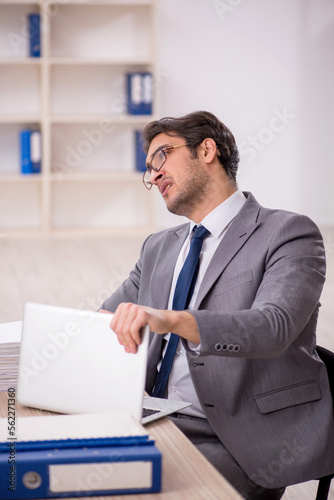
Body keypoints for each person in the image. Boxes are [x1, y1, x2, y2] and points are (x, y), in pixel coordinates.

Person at [100, 111, 334, 499]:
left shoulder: (288, 232)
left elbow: (272, 327)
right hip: (149, 417)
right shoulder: (159, 246)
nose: (153, 175)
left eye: (161, 156)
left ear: (207, 150)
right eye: (148, 170)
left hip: (234, 436)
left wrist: (171, 319)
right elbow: (105, 319)